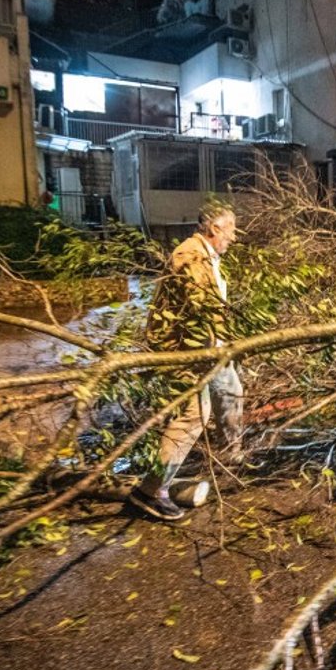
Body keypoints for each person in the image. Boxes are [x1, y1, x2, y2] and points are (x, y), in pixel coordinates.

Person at [129, 204, 245, 521]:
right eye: (231, 229)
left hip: (212, 348)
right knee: (195, 414)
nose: (234, 236)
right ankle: (150, 491)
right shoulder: (190, 255)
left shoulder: (209, 256)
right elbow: (200, 308)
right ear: (214, 229)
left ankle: (232, 456)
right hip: (186, 352)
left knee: (231, 391)